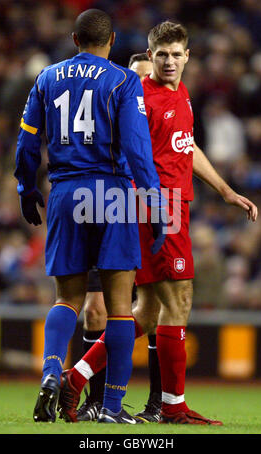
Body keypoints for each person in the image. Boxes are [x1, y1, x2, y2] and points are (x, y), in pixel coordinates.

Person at [57, 21, 258, 425]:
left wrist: (224, 190)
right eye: (161, 54)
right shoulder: (140, 96)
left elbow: (188, 146)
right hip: (156, 207)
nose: (168, 61)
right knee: (179, 302)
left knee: (147, 311)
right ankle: (172, 406)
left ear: (187, 57)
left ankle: (74, 378)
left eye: (175, 54)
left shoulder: (180, 93)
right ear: (150, 57)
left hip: (165, 205)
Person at [14, 9, 165, 424]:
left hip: (65, 192)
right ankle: (112, 408)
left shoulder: (46, 78)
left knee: (67, 299)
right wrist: (153, 203)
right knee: (119, 306)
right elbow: (137, 149)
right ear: (112, 40)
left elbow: (27, 143)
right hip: (111, 192)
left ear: (74, 38)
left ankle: (50, 374)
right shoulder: (123, 79)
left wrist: (27, 188)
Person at [76, 53, 162, 423]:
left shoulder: (165, 118)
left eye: (150, 80)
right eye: (139, 80)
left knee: (157, 310)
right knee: (97, 308)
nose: (144, 87)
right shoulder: (117, 105)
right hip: (110, 207)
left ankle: (158, 402)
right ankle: (96, 399)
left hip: (153, 210)